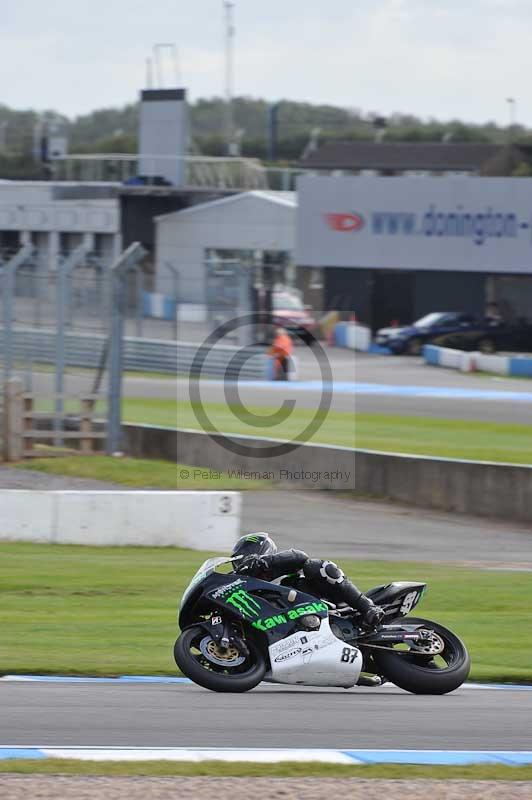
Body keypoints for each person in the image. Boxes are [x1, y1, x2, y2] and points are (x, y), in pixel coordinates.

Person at [231, 532, 384, 629]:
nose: (240, 564)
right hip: (290, 627)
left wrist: (264, 562)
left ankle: (368, 607)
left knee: (318, 566)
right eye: (237, 561)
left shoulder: (277, 566)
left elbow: (300, 556)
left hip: (323, 603)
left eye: (245, 556)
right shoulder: (244, 585)